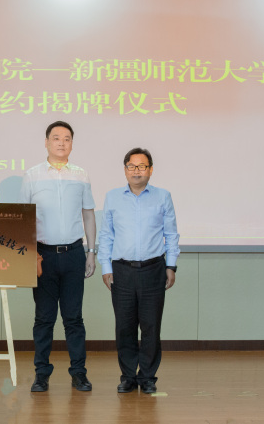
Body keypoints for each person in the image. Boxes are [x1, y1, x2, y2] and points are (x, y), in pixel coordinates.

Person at [18, 121, 97, 393]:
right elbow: (23, 219)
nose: (61, 142)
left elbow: (88, 215)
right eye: (56, 138)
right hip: (43, 256)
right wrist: (28, 255)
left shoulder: (81, 175)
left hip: (74, 254)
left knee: (74, 318)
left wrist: (91, 252)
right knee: (44, 319)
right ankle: (41, 374)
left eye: (66, 138)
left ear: (72, 143)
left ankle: (79, 373)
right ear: (46, 142)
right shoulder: (32, 175)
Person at [98, 147, 180, 394]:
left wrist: (171, 265)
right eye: (131, 166)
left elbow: (171, 234)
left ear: (150, 170)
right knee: (124, 326)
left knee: (151, 326)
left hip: (154, 269)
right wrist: (105, 267)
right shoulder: (113, 197)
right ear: (125, 169)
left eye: (142, 166)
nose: (137, 171)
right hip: (121, 270)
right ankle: (127, 376)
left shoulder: (162, 197)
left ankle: (147, 377)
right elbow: (106, 235)